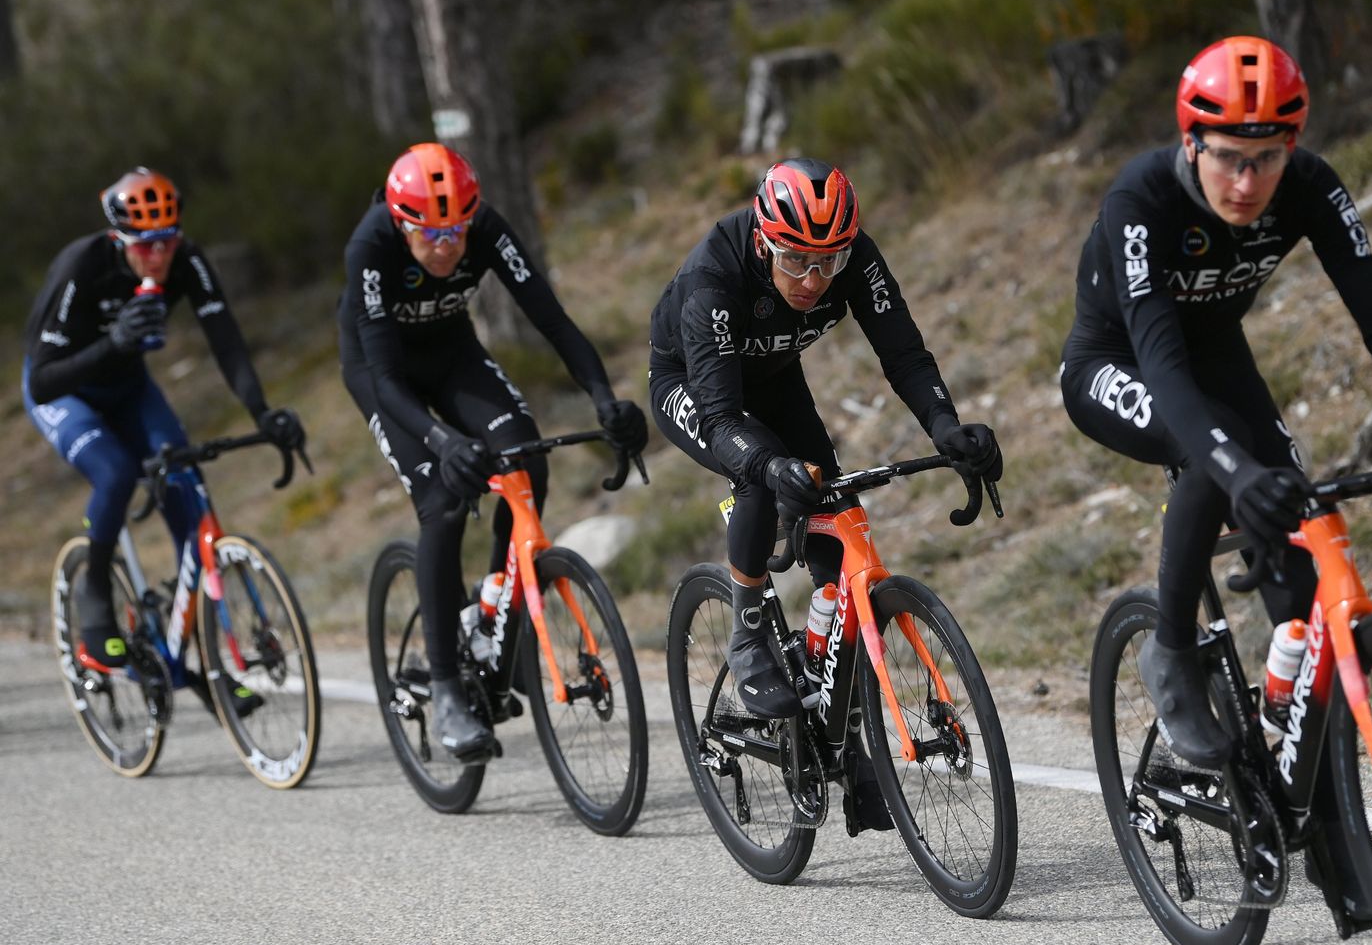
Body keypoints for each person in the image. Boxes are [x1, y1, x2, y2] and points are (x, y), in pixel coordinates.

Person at [1058, 35, 1372, 925]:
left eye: (1268, 159)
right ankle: (1169, 649)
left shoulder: (1309, 186)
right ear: (1191, 143)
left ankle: (1325, 841)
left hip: (1214, 356)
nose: (1248, 182)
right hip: (1118, 362)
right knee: (1219, 458)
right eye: (1229, 160)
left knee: (1305, 588)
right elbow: (1165, 372)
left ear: (1292, 148)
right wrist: (1236, 471)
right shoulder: (1140, 200)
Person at [648, 156, 1004, 828]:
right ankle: (748, 635)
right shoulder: (713, 278)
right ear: (764, 241)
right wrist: (768, 465)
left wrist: (946, 428)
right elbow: (721, 420)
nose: (814, 280)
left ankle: (839, 735)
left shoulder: (854, 257)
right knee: (760, 478)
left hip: (774, 379)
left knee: (837, 534)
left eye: (829, 263)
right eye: (796, 262)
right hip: (692, 386)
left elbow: (904, 354)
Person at [340, 142, 647, 762]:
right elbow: (387, 379)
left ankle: (491, 607)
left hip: (453, 354)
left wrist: (603, 399)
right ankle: (447, 688)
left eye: (457, 231)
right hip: (382, 373)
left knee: (526, 458)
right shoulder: (370, 246)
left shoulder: (484, 228)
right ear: (401, 222)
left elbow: (552, 320)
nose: (447, 247)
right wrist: (442, 440)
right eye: (431, 235)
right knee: (443, 498)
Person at [23, 167, 306, 690]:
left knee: (187, 485)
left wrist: (261, 411)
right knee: (115, 473)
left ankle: (193, 654)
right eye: (145, 245)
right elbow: (42, 381)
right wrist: (112, 343)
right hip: (66, 393)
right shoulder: (82, 266)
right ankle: (95, 595)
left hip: (129, 389)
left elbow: (225, 339)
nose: (159, 256)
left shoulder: (187, 260)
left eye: (167, 242)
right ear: (119, 238)